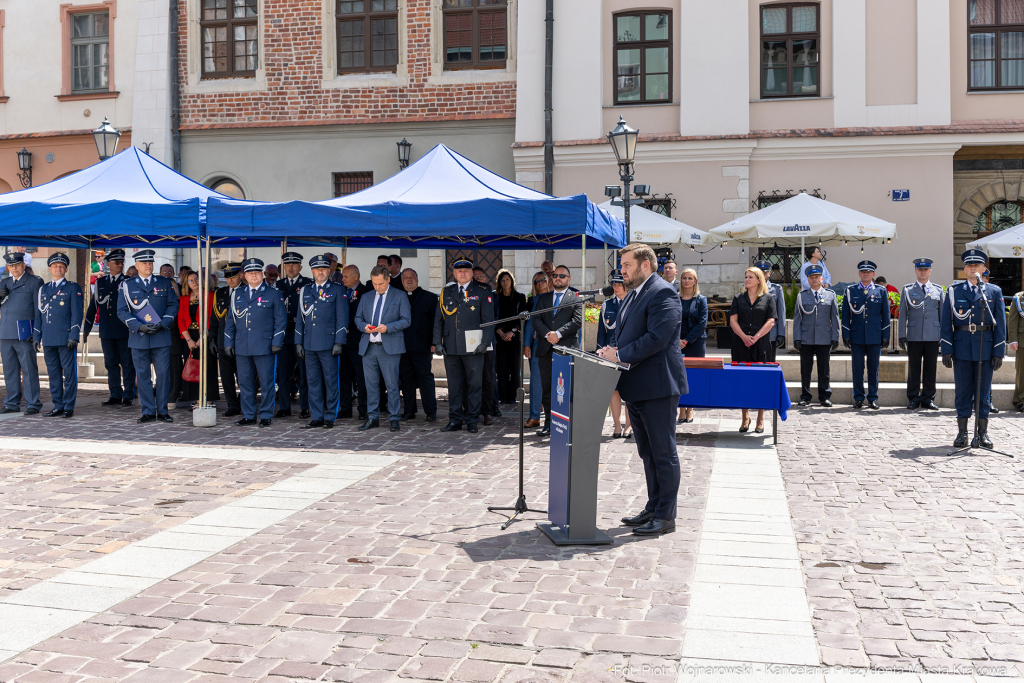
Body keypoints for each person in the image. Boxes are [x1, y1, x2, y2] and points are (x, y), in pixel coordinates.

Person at [596, 243, 685, 537]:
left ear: (645, 265)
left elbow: (657, 338)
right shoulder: (633, 294)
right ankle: (653, 506)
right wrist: (611, 350)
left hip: (658, 385)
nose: (622, 271)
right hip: (636, 384)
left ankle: (665, 516)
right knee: (647, 453)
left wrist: (619, 355)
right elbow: (626, 334)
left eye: (626, 265)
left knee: (663, 452)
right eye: (621, 266)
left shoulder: (663, 292)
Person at [941, 249, 1006, 448]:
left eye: (976, 265)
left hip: (984, 350)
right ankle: (962, 432)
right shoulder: (953, 291)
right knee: (962, 391)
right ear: (964, 269)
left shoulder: (993, 291)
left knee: (983, 392)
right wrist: (946, 349)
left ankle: (983, 433)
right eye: (969, 265)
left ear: (983, 268)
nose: (972, 269)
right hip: (961, 349)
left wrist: (998, 351)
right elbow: (946, 323)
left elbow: (1000, 325)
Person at [117, 249, 179, 423]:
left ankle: (163, 410)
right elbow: (121, 311)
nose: (148, 265)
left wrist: (163, 323)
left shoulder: (164, 282)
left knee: (163, 374)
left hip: (161, 335)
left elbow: (173, 306)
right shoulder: (127, 285)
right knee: (143, 375)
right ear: (136, 265)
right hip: (139, 337)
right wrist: (139, 326)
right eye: (144, 263)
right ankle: (148, 411)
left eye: (150, 262)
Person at [433, 258, 495, 433]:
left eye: (466, 271)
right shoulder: (447, 292)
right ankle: (455, 419)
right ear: (454, 274)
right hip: (451, 347)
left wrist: (485, 343)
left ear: (471, 273)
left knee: (474, 385)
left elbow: (489, 321)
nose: (463, 273)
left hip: (474, 348)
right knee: (454, 385)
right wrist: (437, 342)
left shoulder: (482, 291)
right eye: (459, 271)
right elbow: (438, 320)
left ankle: (472, 419)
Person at [224, 257, 287, 427]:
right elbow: (230, 321)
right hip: (242, 345)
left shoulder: (273, 293)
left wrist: (277, 341)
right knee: (244, 383)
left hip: (265, 345)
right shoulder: (237, 293)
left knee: (267, 383)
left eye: (257, 272)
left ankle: (266, 415)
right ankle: (249, 415)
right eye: (250, 273)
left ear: (262, 274)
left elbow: (281, 320)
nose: (254, 275)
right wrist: (228, 342)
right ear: (244, 275)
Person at [294, 254, 349, 429]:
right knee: (313, 382)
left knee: (331, 382)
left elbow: (342, 319)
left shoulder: (337, 290)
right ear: (312, 271)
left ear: (329, 270)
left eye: (324, 269)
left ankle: (330, 416)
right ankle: (316, 416)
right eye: (317, 269)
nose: (321, 272)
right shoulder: (305, 290)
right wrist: (298, 342)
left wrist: (339, 341)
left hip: (329, 344)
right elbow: (300, 320)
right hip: (309, 344)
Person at [355, 264, 411, 431]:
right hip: (369, 347)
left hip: (390, 347)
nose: (377, 287)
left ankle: (394, 417)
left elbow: (406, 320)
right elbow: (357, 318)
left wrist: (388, 327)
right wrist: (364, 326)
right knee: (370, 385)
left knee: (392, 384)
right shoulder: (366, 297)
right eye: (374, 284)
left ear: (388, 279)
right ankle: (373, 417)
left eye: (380, 284)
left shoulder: (400, 296)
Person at [531, 264, 583, 437]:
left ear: (569, 279)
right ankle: (549, 424)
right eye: (555, 276)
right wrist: (548, 334)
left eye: (562, 276)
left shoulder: (576, 297)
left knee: (565, 389)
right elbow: (536, 319)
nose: (558, 278)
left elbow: (577, 321)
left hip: (566, 349)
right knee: (548, 389)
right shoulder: (543, 298)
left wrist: (558, 334)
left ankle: (565, 425)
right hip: (545, 349)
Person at [84, 248, 135, 407]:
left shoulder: (128, 281)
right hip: (106, 330)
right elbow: (93, 306)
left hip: (124, 330)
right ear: (108, 264)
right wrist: (86, 328)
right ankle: (115, 394)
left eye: (122, 262)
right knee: (111, 363)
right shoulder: (101, 282)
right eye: (117, 262)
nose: (120, 265)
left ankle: (128, 394)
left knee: (127, 363)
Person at [729, 267, 778, 433]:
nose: (747, 279)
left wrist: (755, 337)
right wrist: (744, 337)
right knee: (742, 381)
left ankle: (760, 418)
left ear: (759, 280)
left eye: (750, 277)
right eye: (745, 276)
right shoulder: (738, 298)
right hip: (740, 343)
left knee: (760, 381)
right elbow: (733, 321)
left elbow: (771, 321)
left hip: (761, 344)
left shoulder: (768, 298)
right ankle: (745, 418)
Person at [35, 253, 83, 418]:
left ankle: (69, 406)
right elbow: (38, 315)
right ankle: (58, 405)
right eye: (55, 265)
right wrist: (36, 336)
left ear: (66, 269)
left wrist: (74, 335)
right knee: (53, 374)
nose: (58, 268)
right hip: (48, 338)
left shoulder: (72, 287)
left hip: (65, 338)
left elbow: (77, 314)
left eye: (61, 266)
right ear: (49, 268)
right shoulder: (44, 289)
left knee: (69, 374)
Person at [841, 260, 891, 410]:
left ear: (873, 274)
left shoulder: (881, 291)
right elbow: (845, 315)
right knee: (857, 368)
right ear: (859, 274)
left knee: (873, 368)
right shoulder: (851, 291)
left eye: (868, 272)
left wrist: (886, 335)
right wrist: (846, 333)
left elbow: (886, 315)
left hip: (874, 336)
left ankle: (873, 398)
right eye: (863, 272)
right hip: (856, 336)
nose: (865, 274)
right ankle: (858, 398)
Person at [0, 252, 43, 415]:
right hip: (5, 333)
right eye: (11, 265)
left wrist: (37, 331)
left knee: (29, 369)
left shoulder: (34, 282)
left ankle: (33, 402)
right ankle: (12, 402)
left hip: (25, 333)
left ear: (23, 265)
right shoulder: (4, 283)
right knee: (9, 370)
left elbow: (39, 309)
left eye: (17, 265)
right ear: (7, 267)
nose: (15, 268)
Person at [898, 258, 943, 411]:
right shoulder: (907, 289)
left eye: (926, 269)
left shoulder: (938, 290)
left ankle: (928, 398)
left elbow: (942, 315)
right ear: (915, 271)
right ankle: (913, 397)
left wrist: (943, 336)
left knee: (931, 368)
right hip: (914, 335)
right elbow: (903, 314)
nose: (923, 272)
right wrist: (901, 335)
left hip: (932, 335)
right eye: (920, 269)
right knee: (914, 368)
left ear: (930, 271)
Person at [793, 264, 839, 407]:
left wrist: (835, 337)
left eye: (817, 277)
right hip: (806, 338)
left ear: (822, 278)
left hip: (824, 338)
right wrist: (797, 337)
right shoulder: (802, 296)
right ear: (807, 279)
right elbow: (797, 319)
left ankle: (825, 396)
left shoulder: (830, 295)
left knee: (824, 369)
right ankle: (805, 396)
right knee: (806, 369)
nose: (814, 280)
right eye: (811, 277)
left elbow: (835, 318)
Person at [274, 252, 313, 419]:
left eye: (294, 265)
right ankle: (284, 406)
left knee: (304, 374)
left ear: (300, 267)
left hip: (301, 336)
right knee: (283, 374)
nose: (290, 268)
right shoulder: (278, 285)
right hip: (283, 337)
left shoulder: (308, 284)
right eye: (287, 265)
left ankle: (305, 407)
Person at [398, 268, 438, 422]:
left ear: (417, 278)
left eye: (412, 277)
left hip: (422, 346)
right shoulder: (398, 297)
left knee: (425, 379)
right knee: (406, 380)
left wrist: (434, 342)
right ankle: (409, 411)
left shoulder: (429, 298)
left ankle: (431, 411)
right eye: (405, 278)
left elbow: (436, 322)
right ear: (401, 281)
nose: (409, 280)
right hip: (402, 346)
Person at [598, 270, 632, 437]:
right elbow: (601, 333)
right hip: (610, 355)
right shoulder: (607, 305)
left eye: (619, 284)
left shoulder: (633, 303)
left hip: (628, 353)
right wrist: (601, 352)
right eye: (614, 285)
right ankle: (617, 425)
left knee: (630, 390)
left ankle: (628, 426)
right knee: (614, 390)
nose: (616, 287)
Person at [177, 270, 216, 408]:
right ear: (186, 284)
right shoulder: (184, 298)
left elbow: (211, 317)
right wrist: (189, 340)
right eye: (191, 280)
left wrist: (203, 336)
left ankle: (208, 399)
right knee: (193, 367)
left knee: (207, 368)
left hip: (205, 335)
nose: (195, 282)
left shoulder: (210, 295)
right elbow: (181, 320)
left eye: (196, 279)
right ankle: (196, 398)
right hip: (190, 337)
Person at [677, 267, 707, 424]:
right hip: (677, 343)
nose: (687, 281)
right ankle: (681, 408)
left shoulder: (701, 299)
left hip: (695, 343)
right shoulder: (675, 299)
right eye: (684, 278)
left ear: (695, 281)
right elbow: (670, 320)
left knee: (693, 376)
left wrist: (686, 340)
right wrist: (677, 340)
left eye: (690, 278)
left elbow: (702, 323)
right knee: (678, 376)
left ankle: (690, 409)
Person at [213, 262, 244, 417]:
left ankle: (244, 402)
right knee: (226, 377)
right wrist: (212, 338)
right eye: (227, 276)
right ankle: (232, 405)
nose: (230, 280)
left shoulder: (246, 291)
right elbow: (214, 319)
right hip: (222, 340)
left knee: (243, 376)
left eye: (233, 276)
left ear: (241, 274)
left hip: (242, 340)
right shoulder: (220, 293)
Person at [494, 269, 528, 405]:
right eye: (502, 280)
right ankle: (503, 396)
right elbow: (494, 316)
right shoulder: (496, 297)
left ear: (512, 281)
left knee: (515, 368)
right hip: (500, 337)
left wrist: (513, 331)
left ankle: (513, 396)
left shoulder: (520, 297)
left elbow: (523, 316)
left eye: (507, 279)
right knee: (501, 368)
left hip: (515, 337)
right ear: (499, 283)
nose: (505, 282)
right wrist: (500, 331)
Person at [340, 265, 369, 419]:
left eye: (345, 276)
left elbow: (364, 316)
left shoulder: (365, 293)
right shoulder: (340, 291)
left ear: (356, 277)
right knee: (343, 377)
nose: (342, 279)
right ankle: (345, 408)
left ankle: (363, 409)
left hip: (358, 341)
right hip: (341, 342)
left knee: (361, 377)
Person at [474, 266, 501, 423]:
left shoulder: (492, 296)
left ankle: (488, 410)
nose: (479, 280)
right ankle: (472, 409)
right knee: (471, 376)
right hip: (469, 339)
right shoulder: (467, 294)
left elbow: (494, 317)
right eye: (475, 277)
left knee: (488, 377)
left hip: (488, 339)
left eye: (481, 277)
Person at [523, 271, 548, 429]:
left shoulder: (561, 297)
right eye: (537, 281)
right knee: (536, 382)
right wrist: (526, 344)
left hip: (557, 345)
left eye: (543, 280)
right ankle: (534, 416)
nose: (540, 283)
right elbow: (531, 322)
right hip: (538, 344)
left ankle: (554, 419)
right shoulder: (537, 299)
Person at [754, 260, 786, 359]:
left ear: (769, 274)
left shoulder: (776, 289)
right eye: (760, 273)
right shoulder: (751, 289)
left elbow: (781, 312)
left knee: (769, 363)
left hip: (771, 333)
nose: (763, 275)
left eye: (764, 273)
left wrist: (781, 334)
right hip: (754, 333)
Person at [981, 269, 999, 414]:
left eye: (986, 277)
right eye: (982, 277)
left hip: (988, 340)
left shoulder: (992, 293)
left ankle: (988, 400)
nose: (984, 279)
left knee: (986, 378)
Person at [1007, 275, 1024, 412]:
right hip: (1023, 341)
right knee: (1022, 372)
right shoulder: (1019, 298)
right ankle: (1020, 400)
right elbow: (1012, 321)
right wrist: (1013, 339)